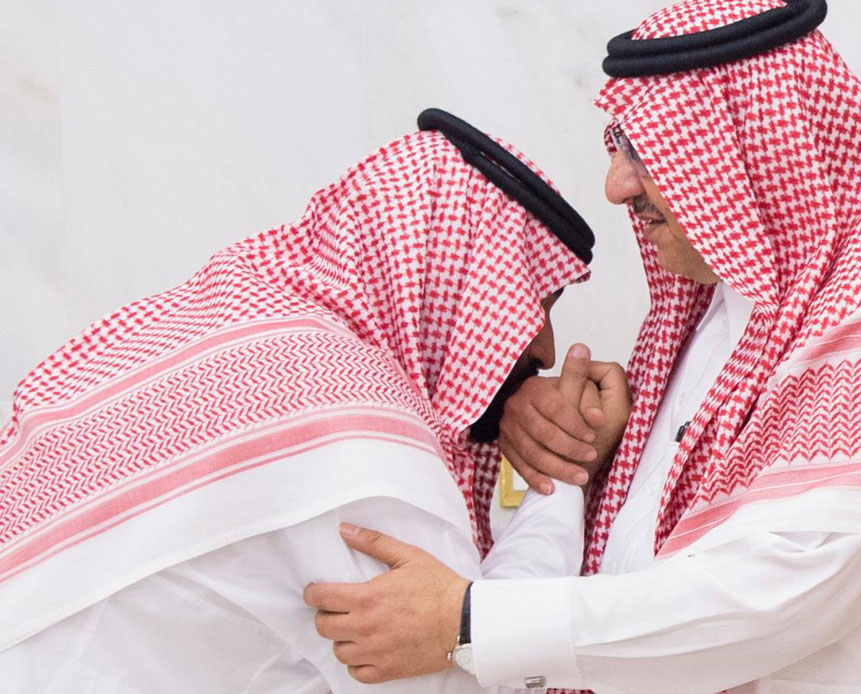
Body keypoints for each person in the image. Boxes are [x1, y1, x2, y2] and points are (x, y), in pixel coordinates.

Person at [303, 3, 861, 693]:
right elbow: (637, 567)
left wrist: (467, 622)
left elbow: (772, 593)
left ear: (753, 140)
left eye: (646, 150)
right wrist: (576, 457)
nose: (618, 185)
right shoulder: (715, 318)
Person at [0, 109, 618, 694]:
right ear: (456, 277)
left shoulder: (220, 334)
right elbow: (467, 675)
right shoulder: (352, 435)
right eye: (534, 298)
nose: (544, 343)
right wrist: (564, 474)